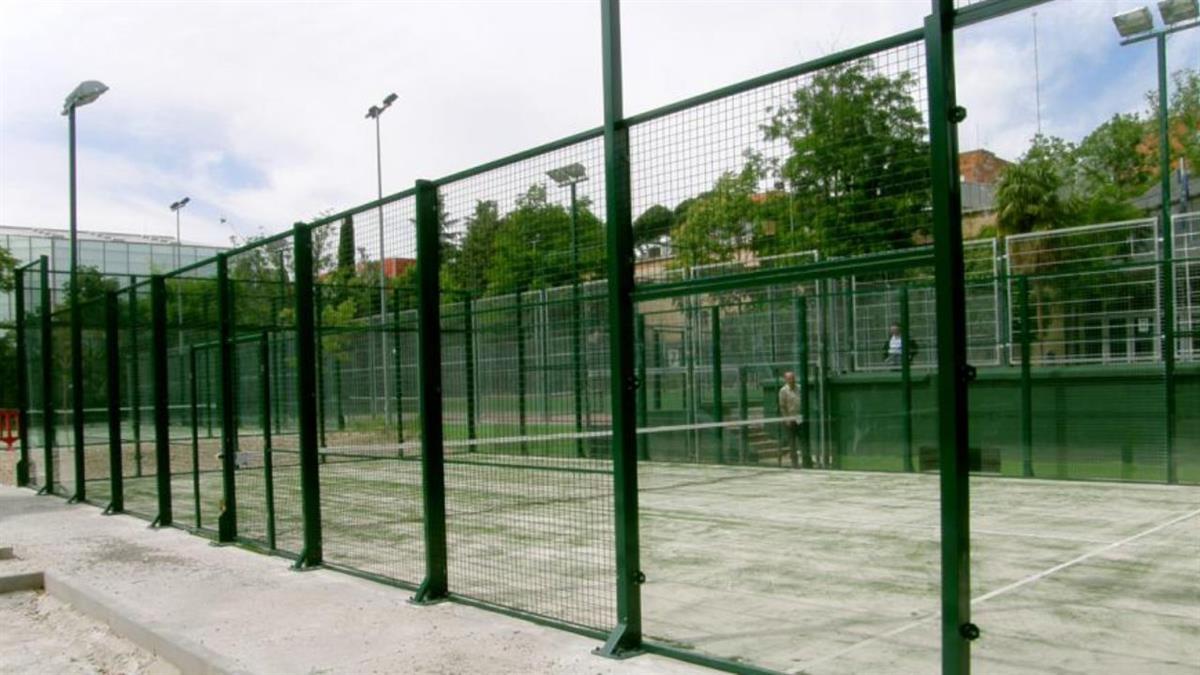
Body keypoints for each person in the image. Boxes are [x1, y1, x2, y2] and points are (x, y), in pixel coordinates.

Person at [777, 371, 805, 469]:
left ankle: (806, 460)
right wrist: (786, 419)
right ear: (786, 379)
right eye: (789, 378)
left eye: (793, 378)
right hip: (790, 418)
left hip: (800, 418)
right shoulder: (783, 391)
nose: (792, 380)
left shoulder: (800, 388)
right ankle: (794, 462)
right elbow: (782, 406)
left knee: (803, 439)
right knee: (792, 441)